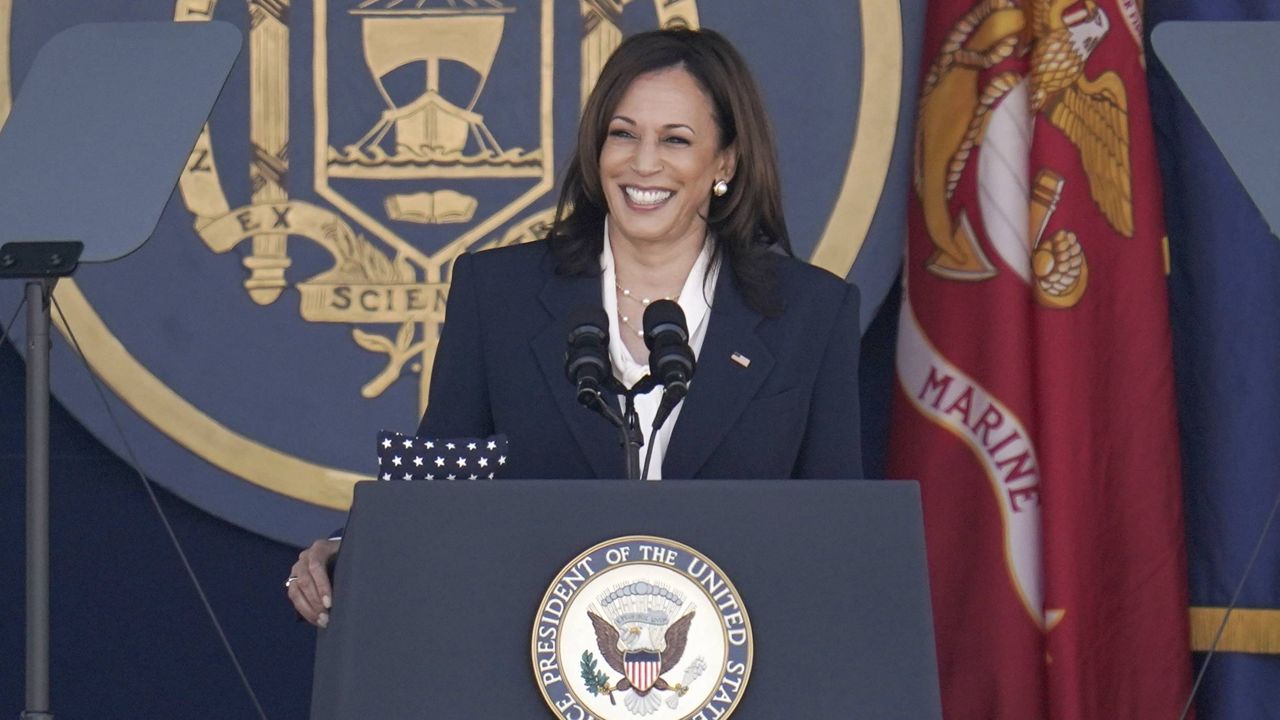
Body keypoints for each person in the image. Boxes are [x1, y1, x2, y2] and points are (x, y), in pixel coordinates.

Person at [287, 27, 862, 627]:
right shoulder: (499, 295)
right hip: (535, 664)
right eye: (623, 134)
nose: (643, 163)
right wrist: (351, 551)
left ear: (725, 160)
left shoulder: (808, 314)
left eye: (676, 139)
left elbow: (837, 533)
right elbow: (439, 488)